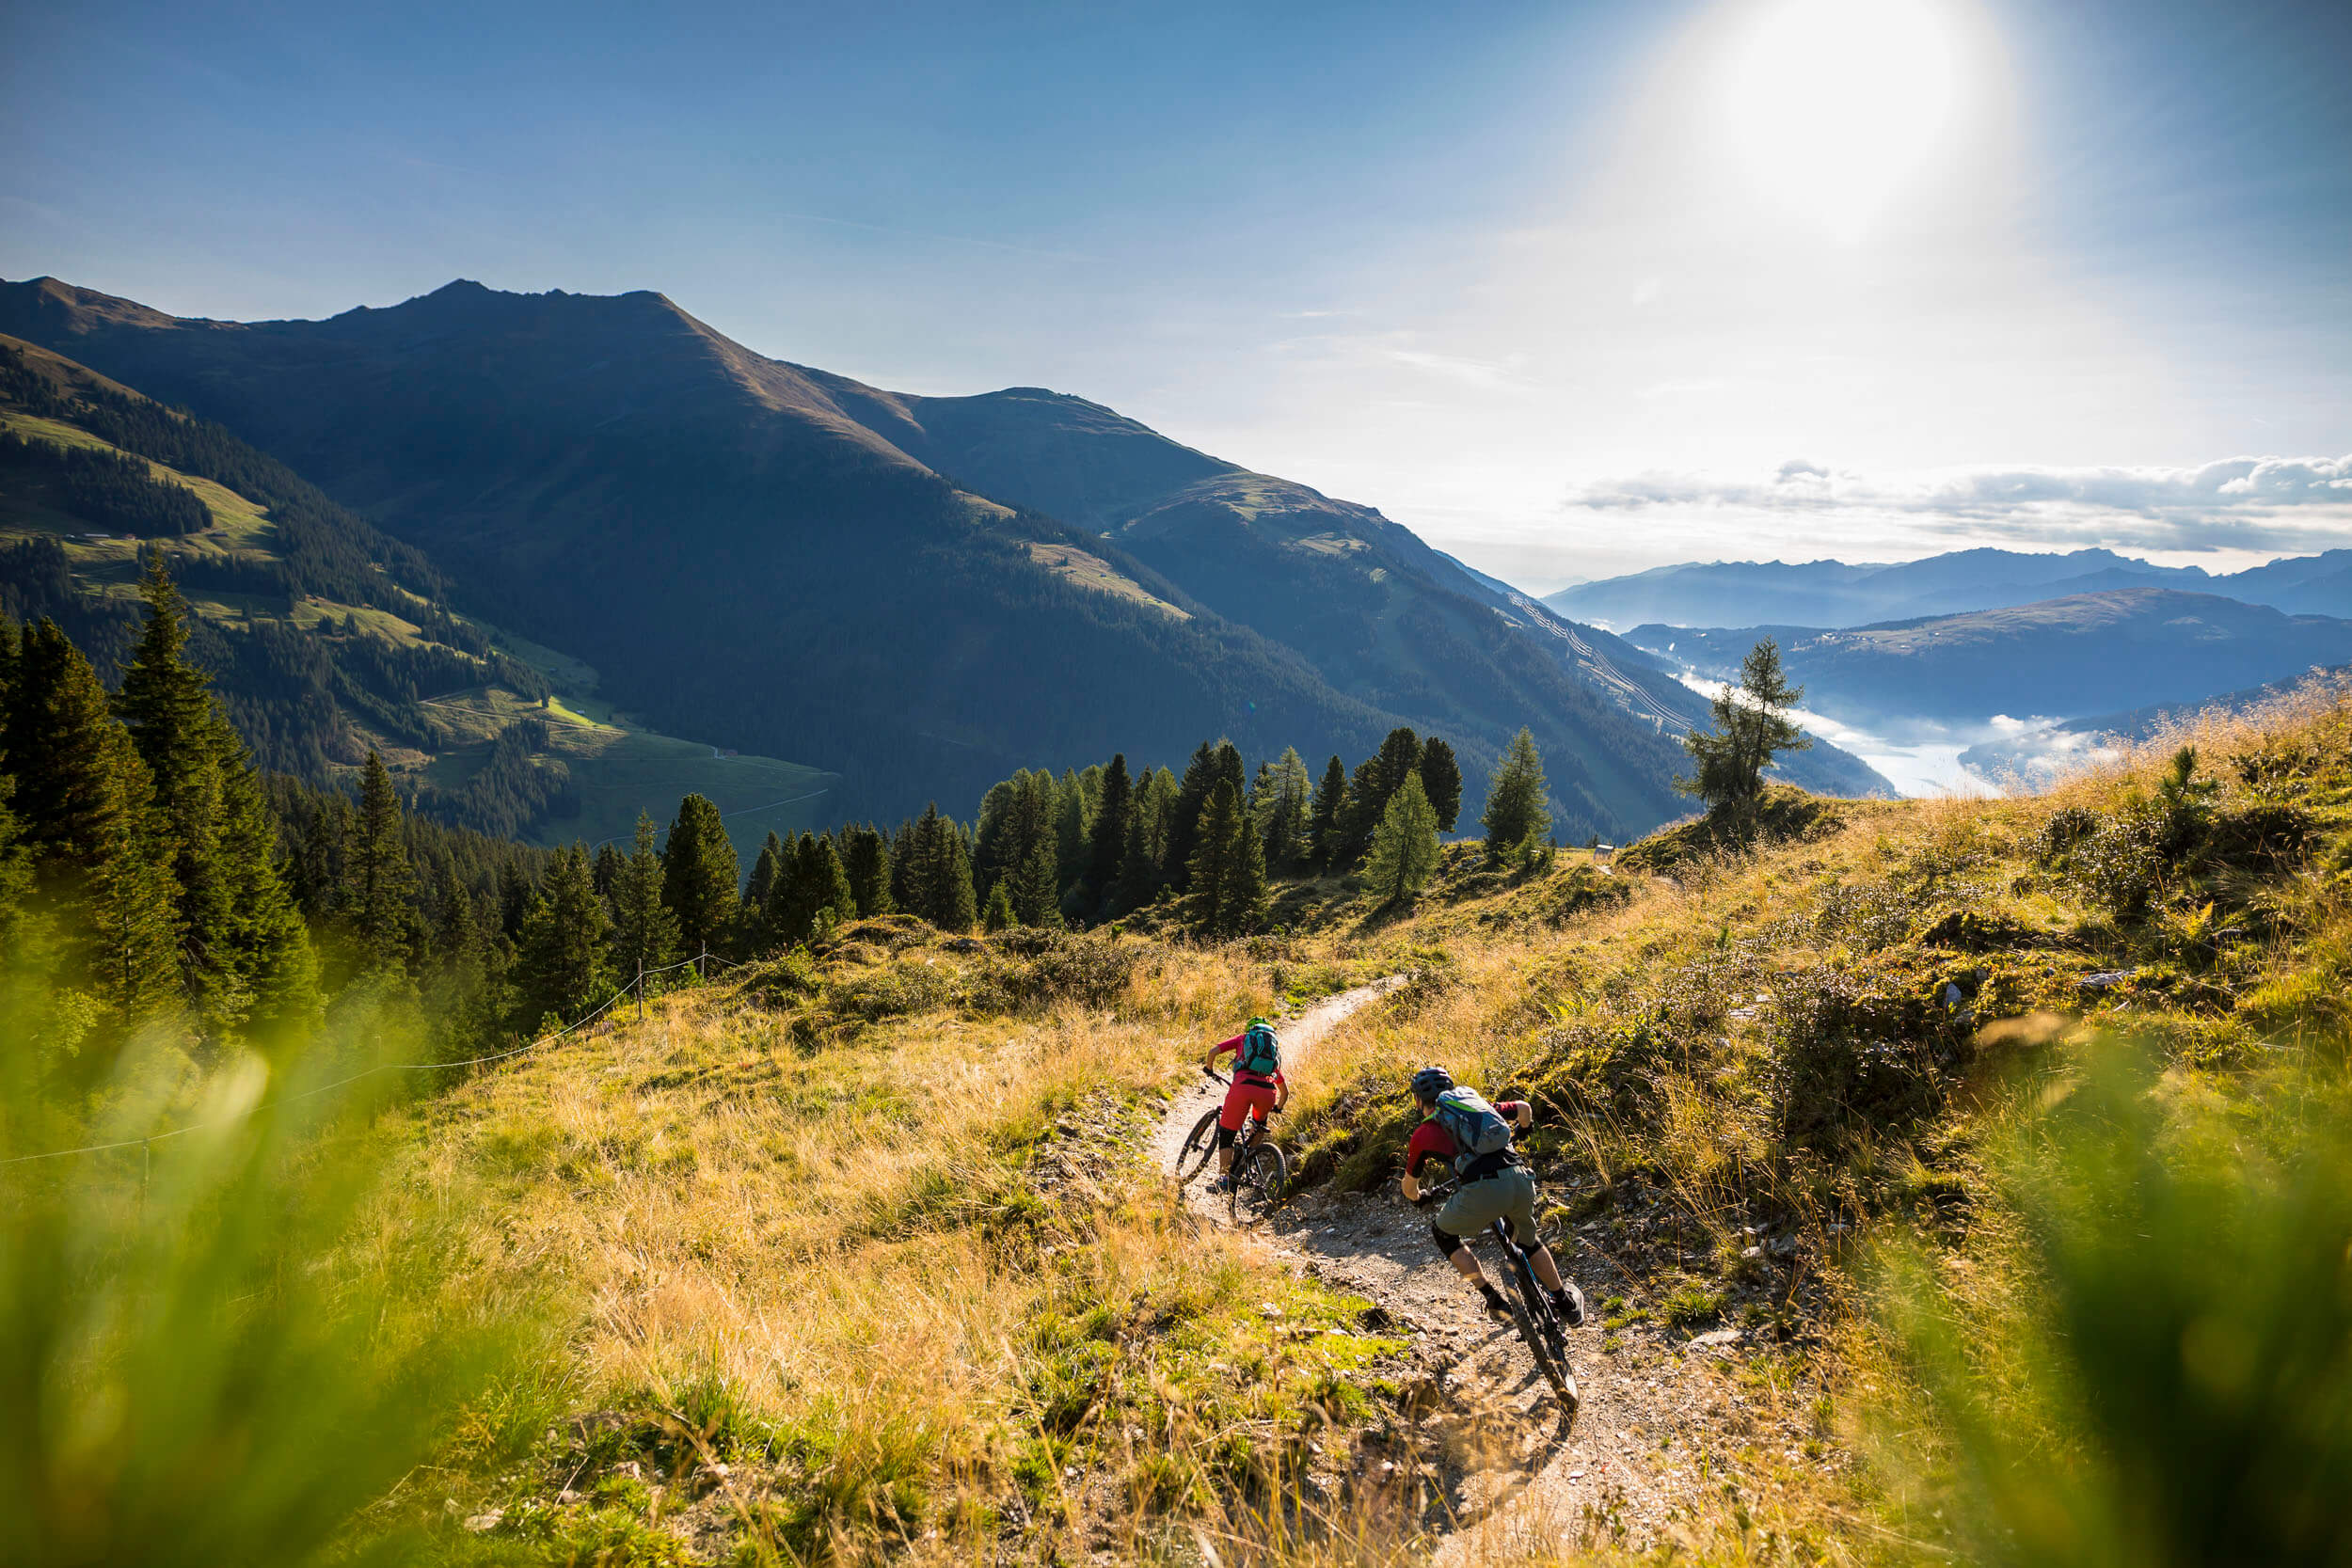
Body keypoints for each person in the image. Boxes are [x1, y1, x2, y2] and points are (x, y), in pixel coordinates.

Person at [1399, 1066, 1585, 1328]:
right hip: (1519, 1178)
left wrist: (1420, 1198)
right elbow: (1523, 1108)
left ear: (1418, 1100)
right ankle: (1566, 1304)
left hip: (1482, 1190)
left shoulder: (1424, 1134)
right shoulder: (1477, 1107)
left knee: (1443, 1234)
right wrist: (1524, 1130)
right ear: (1451, 1090)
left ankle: (1496, 1303)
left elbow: (1408, 1188)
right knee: (1528, 1241)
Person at [1201, 1017, 1288, 1194]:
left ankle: (1224, 1180)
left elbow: (1213, 1052)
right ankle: (1248, 1160)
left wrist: (1209, 1069)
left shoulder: (1242, 1039)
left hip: (1243, 1088)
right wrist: (1278, 1107)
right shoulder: (1271, 1056)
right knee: (1259, 1125)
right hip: (1267, 1092)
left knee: (1227, 1135)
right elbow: (1285, 1092)